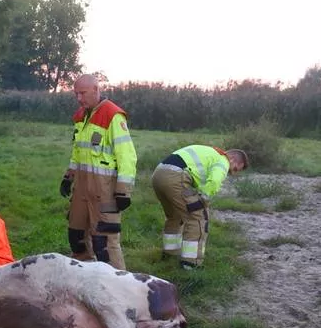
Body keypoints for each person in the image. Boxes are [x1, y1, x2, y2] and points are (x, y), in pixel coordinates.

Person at [60, 74, 137, 269]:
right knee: (76, 237)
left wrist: (123, 191)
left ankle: (118, 286)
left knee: (105, 244)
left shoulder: (113, 115)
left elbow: (127, 156)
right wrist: (68, 177)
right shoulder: (80, 117)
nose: (79, 98)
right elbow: (78, 151)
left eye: (83, 93)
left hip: (105, 190)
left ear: (96, 89)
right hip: (82, 188)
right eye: (76, 94)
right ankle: (85, 278)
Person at [151, 146, 249, 269]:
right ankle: (190, 264)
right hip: (175, 177)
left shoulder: (210, 153)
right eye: (235, 169)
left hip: (158, 175)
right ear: (233, 158)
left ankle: (169, 254)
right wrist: (204, 200)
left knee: (174, 216)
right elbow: (214, 181)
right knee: (198, 218)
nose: (232, 173)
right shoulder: (222, 160)